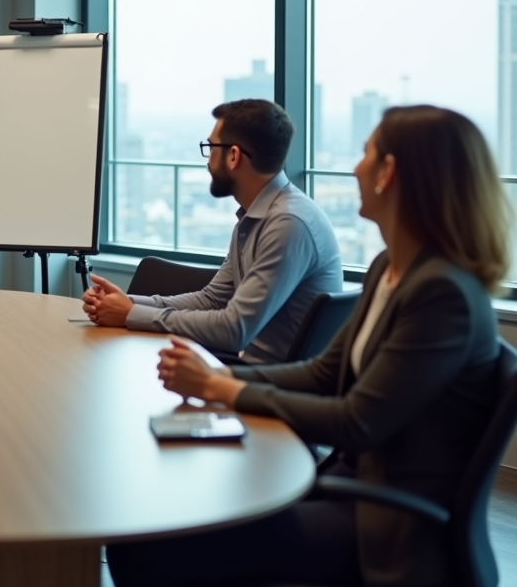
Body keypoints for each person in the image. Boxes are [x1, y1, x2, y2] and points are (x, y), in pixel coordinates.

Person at [108, 105, 511, 587]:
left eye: (366, 154)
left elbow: (355, 420)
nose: (355, 167)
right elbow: (323, 374)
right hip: (344, 489)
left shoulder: (443, 296)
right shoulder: (391, 269)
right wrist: (221, 381)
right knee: (154, 531)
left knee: (144, 550)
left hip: (384, 526)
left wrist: (225, 389)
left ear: (390, 174)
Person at [83, 99, 342, 363]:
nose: (207, 161)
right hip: (246, 369)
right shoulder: (255, 215)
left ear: (233, 156)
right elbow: (212, 300)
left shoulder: (288, 224)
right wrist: (126, 303)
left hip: (273, 386)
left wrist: (130, 314)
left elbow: (234, 329)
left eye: (210, 148)